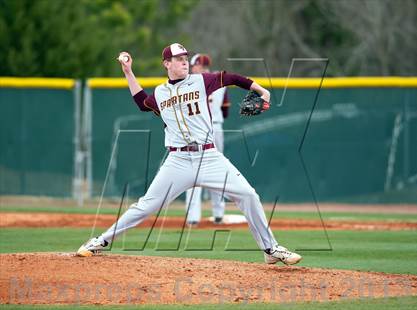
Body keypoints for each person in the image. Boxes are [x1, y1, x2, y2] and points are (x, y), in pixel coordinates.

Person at [77, 43, 302, 265]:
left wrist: (261, 90)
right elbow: (142, 103)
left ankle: (270, 249)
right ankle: (101, 241)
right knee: (146, 206)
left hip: (209, 157)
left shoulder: (201, 81)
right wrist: (128, 72)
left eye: (185, 57)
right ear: (167, 64)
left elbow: (231, 77)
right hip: (178, 161)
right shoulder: (160, 93)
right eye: (178, 58)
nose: (184, 61)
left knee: (248, 195)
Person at [185, 53, 229, 226]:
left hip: (197, 129)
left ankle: (193, 217)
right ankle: (218, 213)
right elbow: (225, 110)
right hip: (216, 127)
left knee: (194, 171)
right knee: (217, 169)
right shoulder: (218, 80)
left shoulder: (188, 82)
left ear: (197, 66)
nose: (191, 67)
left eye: (193, 65)